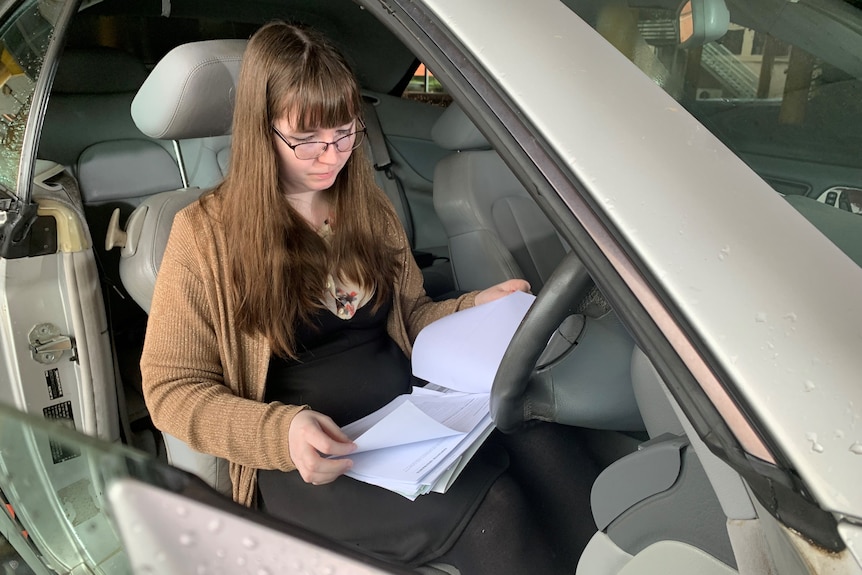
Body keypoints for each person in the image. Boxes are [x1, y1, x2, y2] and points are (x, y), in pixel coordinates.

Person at [141, 21, 563, 573]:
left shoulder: (369, 208)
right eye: (306, 140)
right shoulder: (205, 236)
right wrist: (282, 433)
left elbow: (409, 317)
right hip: (314, 460)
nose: (331, 156)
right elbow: (171, 389)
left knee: (550, 447)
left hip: (412, 421)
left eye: (345, 133)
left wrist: (474, 307)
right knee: (497, 511)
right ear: (259, 130)